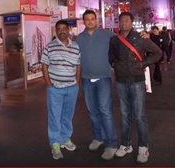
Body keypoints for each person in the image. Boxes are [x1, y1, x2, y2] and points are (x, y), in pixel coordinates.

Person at [109, 12, 162, 164]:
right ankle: (126, 145)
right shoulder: (114, 40)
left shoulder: (141, 38)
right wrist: (115, 66)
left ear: (132, 22)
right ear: (118, 23)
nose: (124, 23)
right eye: (121, 21)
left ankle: (143, 147)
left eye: (126, 20)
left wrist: (143, 63)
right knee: (125, 115)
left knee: (139, 116)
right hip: (120, 81)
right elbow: (110, 57)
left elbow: (158, 53)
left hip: (137, 81)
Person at [75, 10, 118, 160]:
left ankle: (111, 144)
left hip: (103, 78)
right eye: (87, 19)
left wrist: (143, 37)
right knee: (92, 111)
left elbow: (122, 43)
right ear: (84, 21)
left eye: (92, 19)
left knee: (105, 111)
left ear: (96, 20)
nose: (90, 21)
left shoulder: (107, 35)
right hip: (86, 79)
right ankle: (98, 137)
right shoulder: (79, 39)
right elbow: (76, 60)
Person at [41, 20, 81, 160]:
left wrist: (77, 82)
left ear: (69, 30)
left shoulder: (75, 46)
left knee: (67, 116)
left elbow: (78, 65)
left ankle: (65, 138)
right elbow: (44, 65)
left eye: (64, 28)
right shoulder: (50, 47)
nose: (62, 31)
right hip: (55, 89)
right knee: (54, 116)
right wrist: (48, 83)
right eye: (59, 29)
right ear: (56, 31)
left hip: (72, 88)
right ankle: (55, 143)